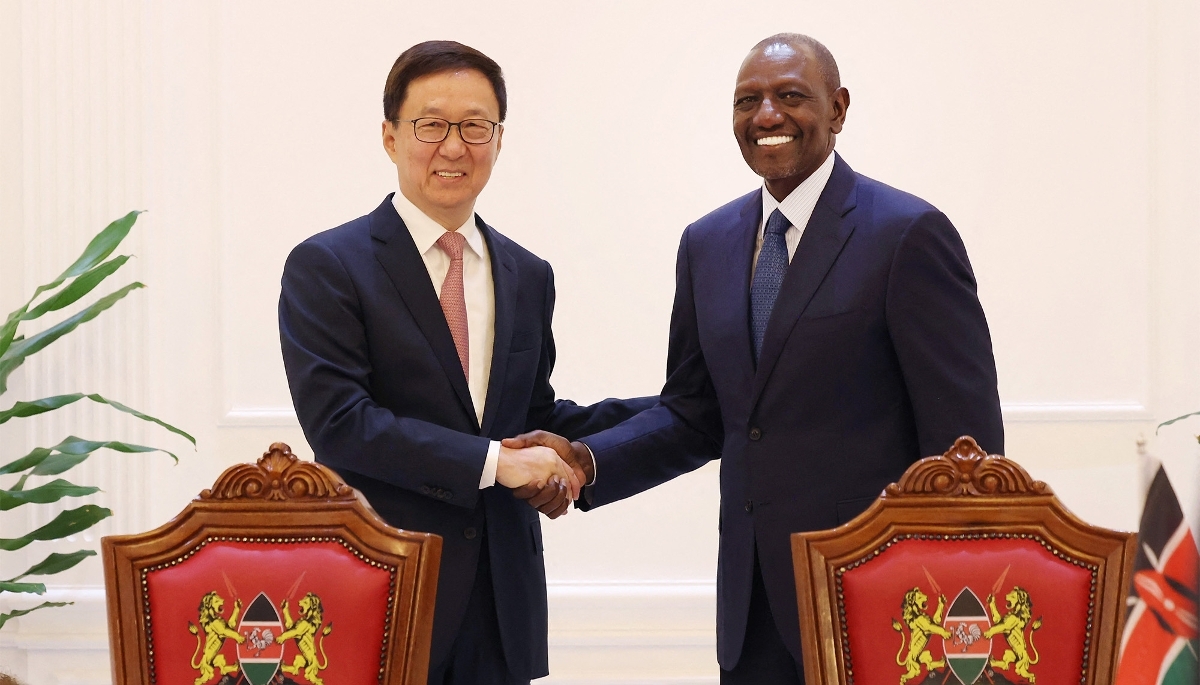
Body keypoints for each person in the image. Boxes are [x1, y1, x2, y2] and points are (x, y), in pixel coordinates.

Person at [508, 33, 1004, 683]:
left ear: (839, 108)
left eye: (790, 96)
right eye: (748, 101)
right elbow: (698, 413)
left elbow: (965, 451)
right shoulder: (706, 243)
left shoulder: (907, 234)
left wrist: (954, 621)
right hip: (752, 610)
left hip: (884, 606)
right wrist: (587, 460)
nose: (766, 114)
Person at [278, 40, 652, 685]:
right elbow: (341, 423)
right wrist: (499, 464)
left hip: (501, 600)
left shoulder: (527, 274)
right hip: (384, 582)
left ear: (499, 139)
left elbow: (531, 415)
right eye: (431, 124)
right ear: (392, 137)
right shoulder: (328, 267)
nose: (454, 146)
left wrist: (673, 412)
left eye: (476, 125)